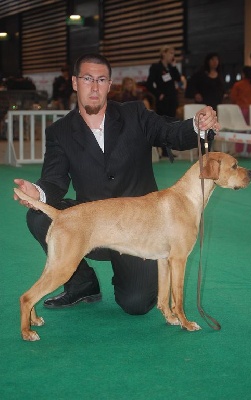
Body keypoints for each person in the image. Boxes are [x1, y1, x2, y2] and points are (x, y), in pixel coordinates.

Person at [14, 53, 218, 316]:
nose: (95, 87)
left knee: (136, 303)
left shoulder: (135, 114)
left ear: (110, 85)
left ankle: (126, 277)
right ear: (75, 82)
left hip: (140, 229)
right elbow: (54, 180)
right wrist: (37, 192)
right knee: (39, 216)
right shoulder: (60, 131)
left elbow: (171, 134)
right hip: (92, 225)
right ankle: (82, 283)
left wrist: (199, 126)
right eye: (87, 79)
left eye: (101, 79)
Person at [230, 65, 251, 155]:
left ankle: (240, 150)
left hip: (241, 110)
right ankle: (248, 150)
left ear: (243, 74)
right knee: (250, 131)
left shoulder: (238, 85)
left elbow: (233, 98)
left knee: (240, 130)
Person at [146, 45, 182, 118]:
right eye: (171, 53)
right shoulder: (156, 67)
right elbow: (149, 84)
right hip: (163, 100)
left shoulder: (171, 67)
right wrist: (158, 94)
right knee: (163, 121)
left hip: (173, 99)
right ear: (163, 53)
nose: (173, 56)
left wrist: (174, 67)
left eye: (173, 54)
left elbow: (178, 79)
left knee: (173, 121)